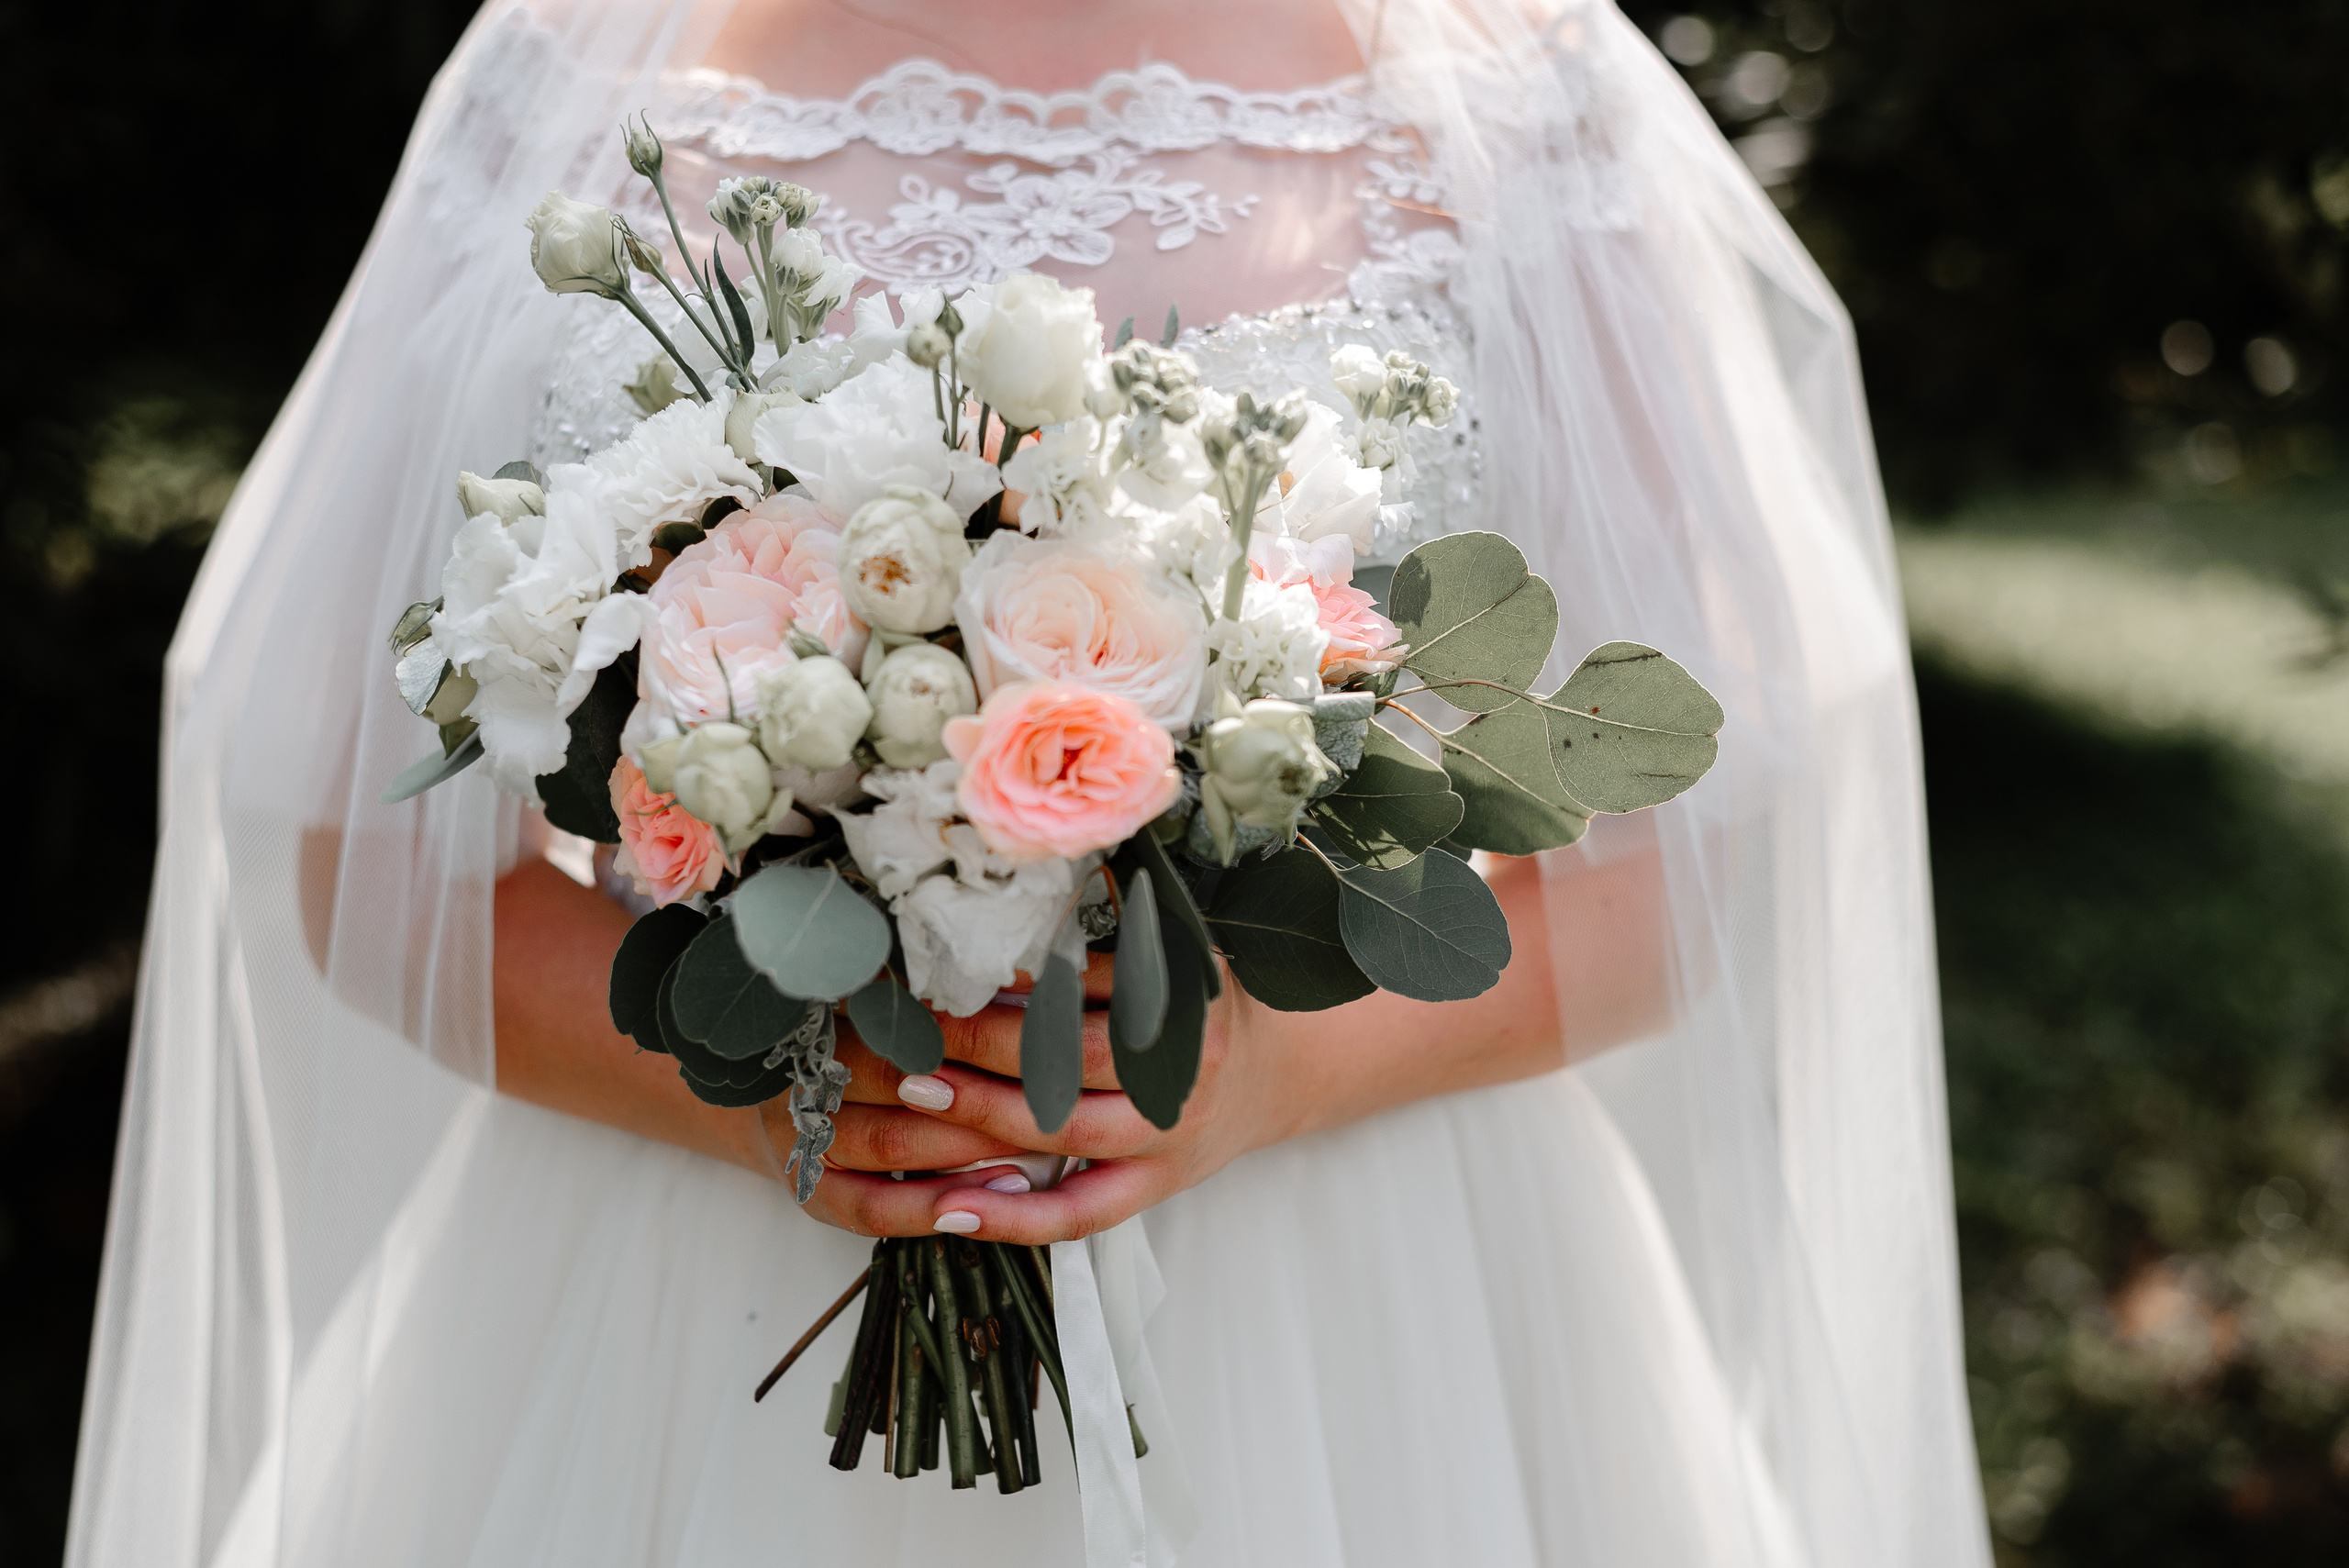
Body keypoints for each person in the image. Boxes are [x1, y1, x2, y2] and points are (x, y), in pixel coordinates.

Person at [69, 3, 1993, 1565]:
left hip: (1373, 1298)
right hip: (692, 1280)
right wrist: (764, 1107)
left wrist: (1276, 1070)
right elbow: (349, 854)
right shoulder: (567, 90)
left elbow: (1730, 854)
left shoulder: (1524, 103)